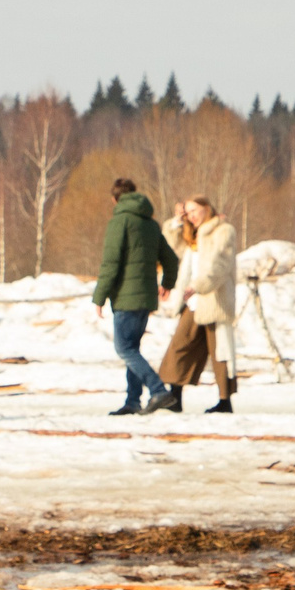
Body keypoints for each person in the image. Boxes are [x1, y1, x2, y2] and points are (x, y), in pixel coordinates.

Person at [91, 178, 179, 416]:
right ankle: (132, 401)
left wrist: (99, 296)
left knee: (124, 349)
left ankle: (158, 390)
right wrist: (167, 283)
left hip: (126, 298)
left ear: (115, 199)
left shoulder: (119, 222)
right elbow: (171, 259)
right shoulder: (150, 224)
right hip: (146, 297)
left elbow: (111, 263)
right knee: (133, 348)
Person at [157, 197, 239, 413]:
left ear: (207, 208)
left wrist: (200, 285)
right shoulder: (193, 235)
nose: (192, 215)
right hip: (192, 302)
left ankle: (225, 400)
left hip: (213, 298)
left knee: (219, 350)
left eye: (195, 210)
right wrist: (176, 222)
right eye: (188, 212)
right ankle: (174, 397)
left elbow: (221, 263)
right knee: (180, 345)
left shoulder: (223, 231)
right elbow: (170, 246)